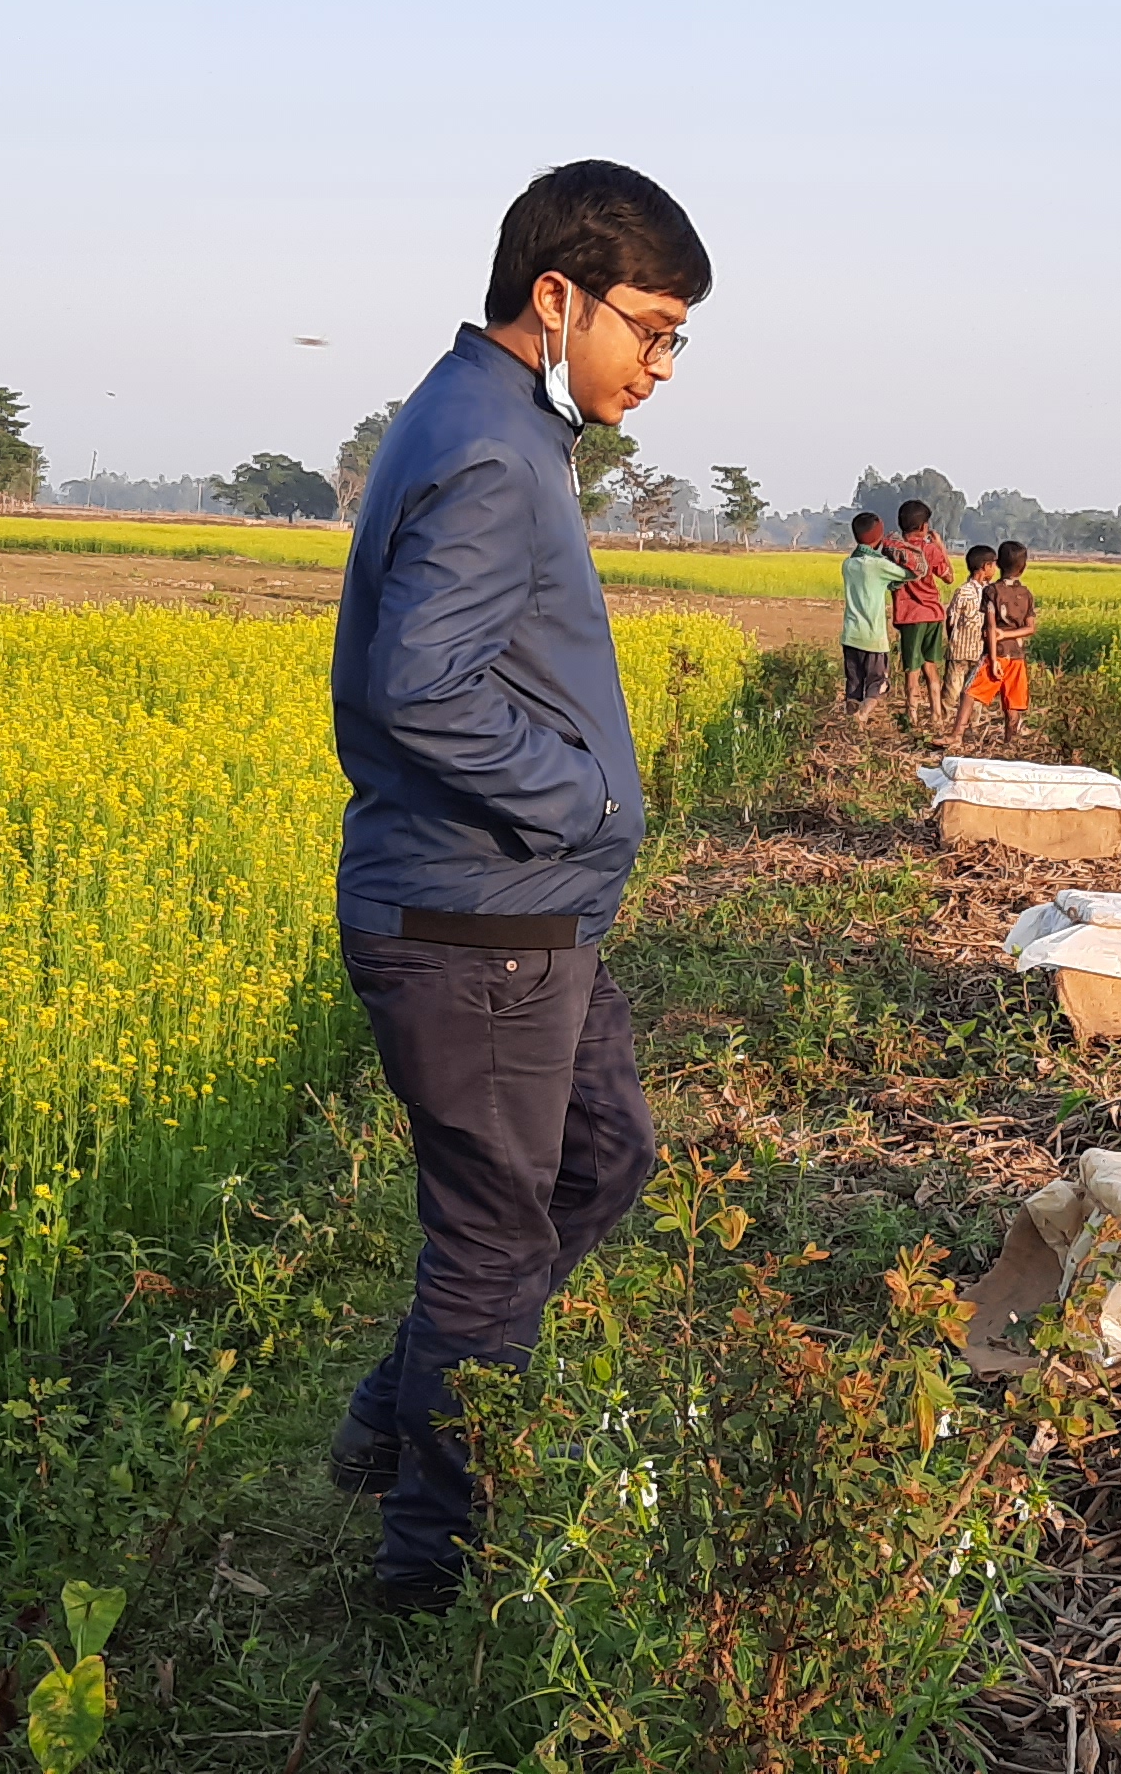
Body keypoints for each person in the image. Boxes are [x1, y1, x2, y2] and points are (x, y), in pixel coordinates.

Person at [328, 158, 707, 1612]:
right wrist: (591, 798)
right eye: (647, 327)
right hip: (477, 923)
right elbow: (418, 687)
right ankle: (429, 1583)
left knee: (601, 1159)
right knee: (491, 1246)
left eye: (678, 338)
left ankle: (396, 1411)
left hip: (517, 915)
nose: (659, 364)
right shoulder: (492, 446)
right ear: (556, 298)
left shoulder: (494, 420)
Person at [888, 500, 956, 726]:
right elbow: (948, 577)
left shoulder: (896, 550)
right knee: (930, 665)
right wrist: (941, 546)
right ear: (925, 527)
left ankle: (912, 714)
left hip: (910, 615)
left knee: (911, 668)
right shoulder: (930, 549)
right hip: (933, 614)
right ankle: (936, 714)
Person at [966, 540, 1036, 742]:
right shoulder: (1025, 594)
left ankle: (956, 733)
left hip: (997, 652)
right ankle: (1010, 741)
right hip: (1017, 655)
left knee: (970, 692)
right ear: (1023, 567)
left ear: (997, 564)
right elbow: (1030, 628)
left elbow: (990, 627)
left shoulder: (992, 591)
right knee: (1013, 702)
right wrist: (1010, 634)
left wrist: (995, 655)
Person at [840, 512, 910, 711]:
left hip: (850, 636)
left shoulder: (848, 564)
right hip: (873, 638)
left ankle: (852, 722)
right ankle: (863, 715)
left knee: (854, 685)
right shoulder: (879, 565)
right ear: (879, 535)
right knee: (878, 684)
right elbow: (907, 574)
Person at [942, 542, 997, 735]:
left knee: (973, 691)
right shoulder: (964, 591)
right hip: (960, 650)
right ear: (985, 567)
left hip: (980, 651)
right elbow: (951, 618)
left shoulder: (991, 591)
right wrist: (952, 640)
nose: (995, 569)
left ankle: (970, 727)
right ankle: (947, 724)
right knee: (953, 690)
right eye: (993, 565)